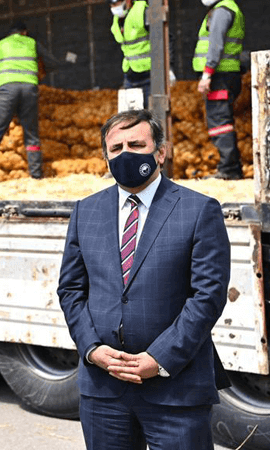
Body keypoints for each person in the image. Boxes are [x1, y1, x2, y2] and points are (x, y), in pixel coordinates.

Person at [57, 109, 231, 449]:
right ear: (105, 156)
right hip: (104, 391)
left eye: (136, 144)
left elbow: (207, 296)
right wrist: (92, 350)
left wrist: (161, 358)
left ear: (161, 153)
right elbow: (71, 290)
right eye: (116, 147)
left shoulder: (198, 210)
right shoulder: (85, 211)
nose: (126, 154)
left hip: (175, 389)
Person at [0, 21, 72, 182]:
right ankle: (36, 174)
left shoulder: (1, 44)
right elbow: (51, 62)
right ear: (24, 32)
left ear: (10, 33)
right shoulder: (32, 42)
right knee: (31, 132)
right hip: (29, 89)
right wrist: (43, 71)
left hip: (6, 90)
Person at [194, 0, 245, 180]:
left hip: (219, 75)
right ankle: (232, 167)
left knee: (220, 123)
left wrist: (207, 74)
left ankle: (229, 169)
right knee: (223, 120)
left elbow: (216, 45)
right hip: (226, 73)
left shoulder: (222, 11)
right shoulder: (227, 8)